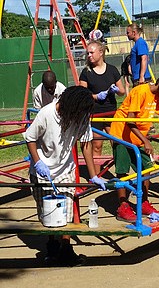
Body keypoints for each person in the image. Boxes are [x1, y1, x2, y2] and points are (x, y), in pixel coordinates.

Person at [24, 86, 106, 266]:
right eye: (79, 112)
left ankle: (66, 249)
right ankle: (52, 247)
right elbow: (30, 137)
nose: (82, 117)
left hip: (65, 170)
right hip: (42, 171)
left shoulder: (81, 115)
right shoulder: (46, 114)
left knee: (65, 213)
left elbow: (85, 144)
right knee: (48, 213)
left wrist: (93, 175)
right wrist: (38, 162)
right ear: (71, 106)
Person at [109, 72, 159, 222]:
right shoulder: (140, 91)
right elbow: (130, 121)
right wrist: (145, 140)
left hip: (137, 137)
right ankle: (123, 206)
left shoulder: (158, 98)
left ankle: (143, 202)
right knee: (123, 171)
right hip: (122, 134)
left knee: (148, 169)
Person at [79, 38, 125, 171]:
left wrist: (116, 90)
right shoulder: (86, 72)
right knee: (97, 145)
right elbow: (82, 94)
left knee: (117, 143)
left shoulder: (112, 70)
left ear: (100, 53)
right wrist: (96, 96)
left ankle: (121, 172)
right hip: (95, 114)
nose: (89, 55)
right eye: (88, 53)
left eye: (91, 53)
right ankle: (97, 176)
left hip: (111, 113)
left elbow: (122, 91)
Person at [127, 22, 151, 87]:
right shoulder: (137, 44)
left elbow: (144, 59)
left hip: (141, 79)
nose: (127, 35)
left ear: (134, 32)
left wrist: (141, 76)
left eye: (128, 33)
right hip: (137, 77)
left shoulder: (140, 43)